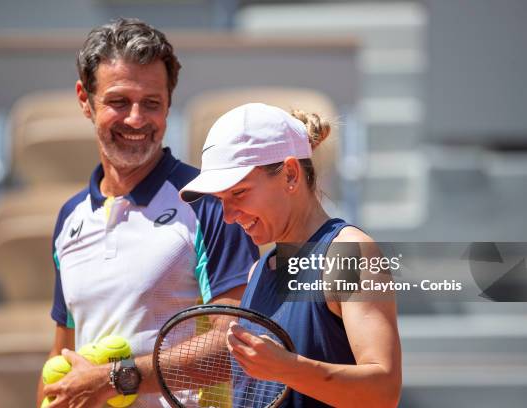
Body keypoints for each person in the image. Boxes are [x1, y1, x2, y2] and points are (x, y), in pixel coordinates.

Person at [37, 18, 259, 407]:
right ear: (84, 100)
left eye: (151, 103)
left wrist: (115, 379)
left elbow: (234, 344)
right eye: (119, 101)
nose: (136, 119)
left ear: (169, 105)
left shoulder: (209, 203)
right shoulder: (69, 218)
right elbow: (61, 359)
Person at [179, 103, 402, 407]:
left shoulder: (350, 254)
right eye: (221, 199)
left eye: (239, 192)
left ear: (291, 175)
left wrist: (287, 368)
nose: (228, 216)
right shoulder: (257, 270)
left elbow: (384, 392)